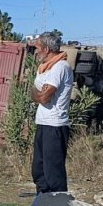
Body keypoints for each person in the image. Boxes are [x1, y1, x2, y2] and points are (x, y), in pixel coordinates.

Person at [30, 31, 73, 193]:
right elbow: (35, 91)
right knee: (39, 171)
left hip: (55, 126)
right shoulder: (43, 69)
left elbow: (43, 98)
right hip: (42, 123)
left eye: (38, 47)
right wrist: (37, 93)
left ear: (47, 49)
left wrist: (37, 93)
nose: (36, 51)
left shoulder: (60, 67)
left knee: (53, 174)